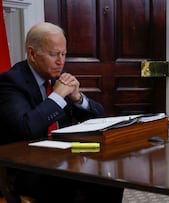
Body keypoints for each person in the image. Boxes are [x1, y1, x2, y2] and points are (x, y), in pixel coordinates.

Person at [0, 22, 123, 202]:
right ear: (32, 54)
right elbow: (26, 127)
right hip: (26, 168)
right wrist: (57, 96)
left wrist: (78, 98)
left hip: (63, 160)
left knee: (109, 177)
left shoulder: (57, 75)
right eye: (54, 54)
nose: (61, 61)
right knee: (70, 184)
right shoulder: (11, 82)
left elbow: (100, 117)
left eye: (64, 54)